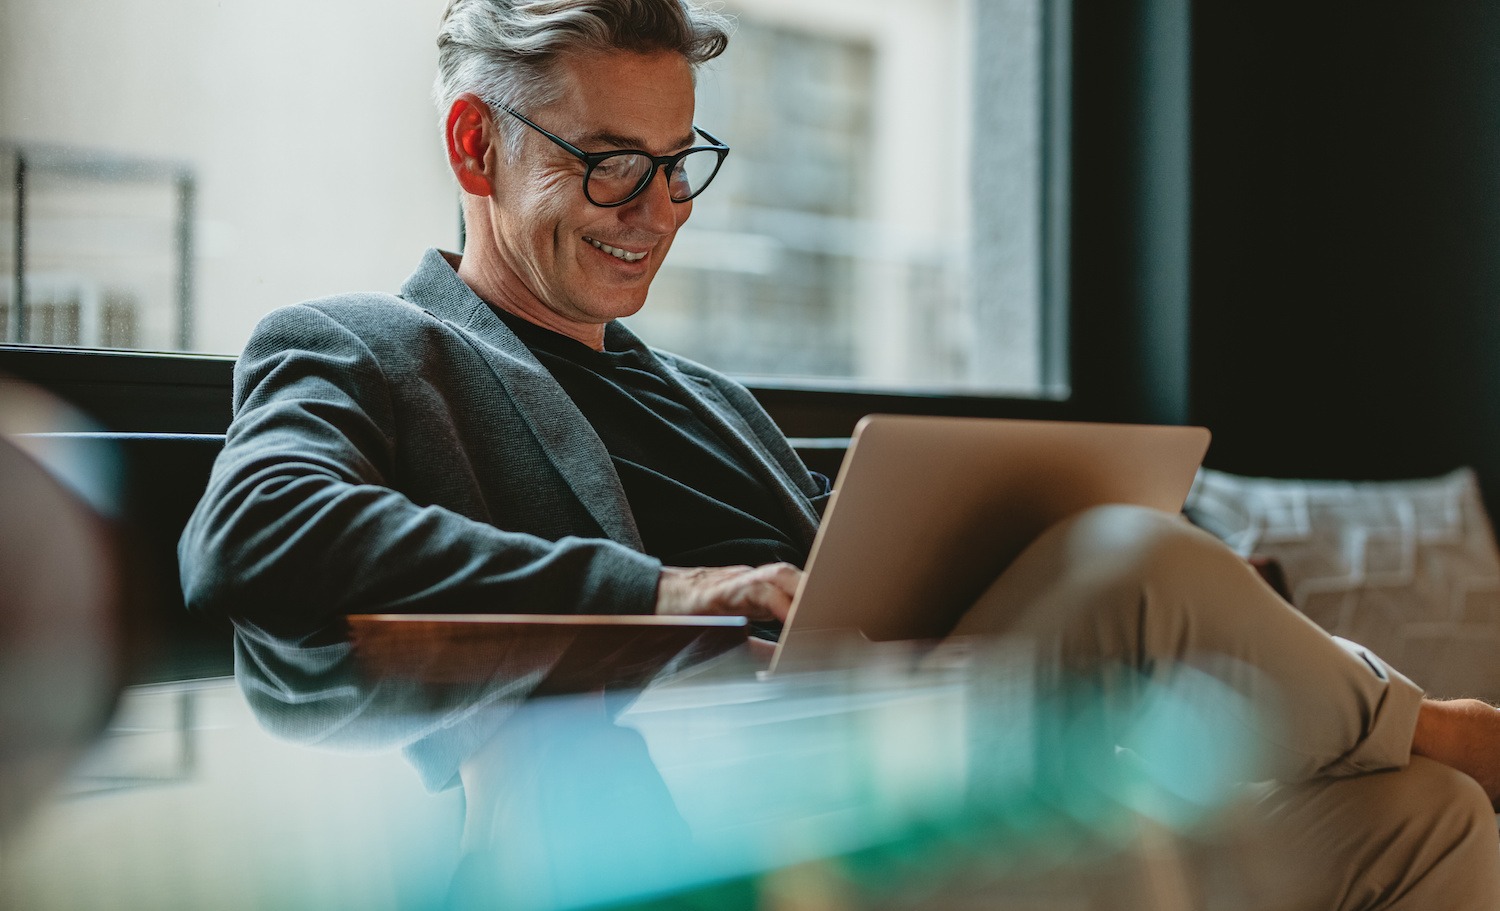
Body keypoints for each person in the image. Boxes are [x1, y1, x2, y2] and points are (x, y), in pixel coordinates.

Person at [178, 1, 1500, 906]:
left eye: (680, 161)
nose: (661, 212)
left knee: (1429, 830)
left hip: (909, 759)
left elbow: (853, 575)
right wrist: (664, 591)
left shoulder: (708, 399)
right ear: (475, 142)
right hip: (692, 815)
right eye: (608, 167)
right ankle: (1422, 719)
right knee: (1129, 562)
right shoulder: (362, 346)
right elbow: (256, 531)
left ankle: (1395, 748)